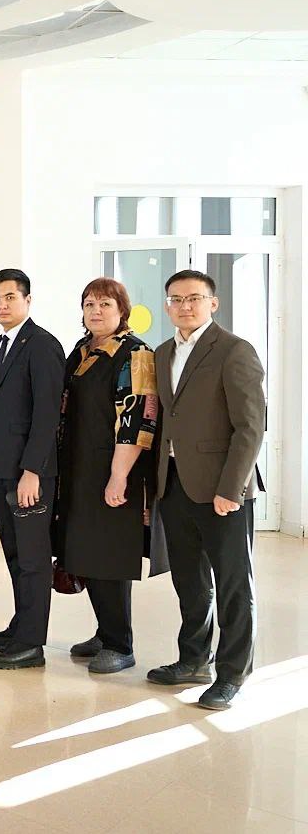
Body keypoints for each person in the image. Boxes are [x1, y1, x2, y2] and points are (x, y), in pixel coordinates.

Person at [149, 270, 264, 710]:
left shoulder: (234, 350)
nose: (185, 306)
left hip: (222, 488)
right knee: (190, 580)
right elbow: (168, 421)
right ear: (167, 306)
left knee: (233, 583)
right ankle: (193, 658)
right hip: (175, 483)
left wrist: (231, 488)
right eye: (176, 299)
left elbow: (250, 427)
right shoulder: (163, 352)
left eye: (194, 298)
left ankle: (232, 674)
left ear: (213, 303)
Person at [54, 278, 169, 675]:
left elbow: (139, 421)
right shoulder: (81, 351)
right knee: (84, 552)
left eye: (105, 304)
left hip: (116, 470)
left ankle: (121, 644)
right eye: (89, 304)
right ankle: (105, 632)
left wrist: (118, 476)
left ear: (122, 310)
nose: (96, 311)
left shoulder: (136, 354)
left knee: (110, 555)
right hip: (79, 469)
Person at [0, 268, 65, 670]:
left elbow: (47, 415)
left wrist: (33, 471)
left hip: (29, 474)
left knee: (32, 558)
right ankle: (20, 626)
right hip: (0, 469)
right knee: (13, 553)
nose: (2, 305)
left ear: (27, 300)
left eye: (10, 297)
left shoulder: (42, 345)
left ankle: (31, 643)